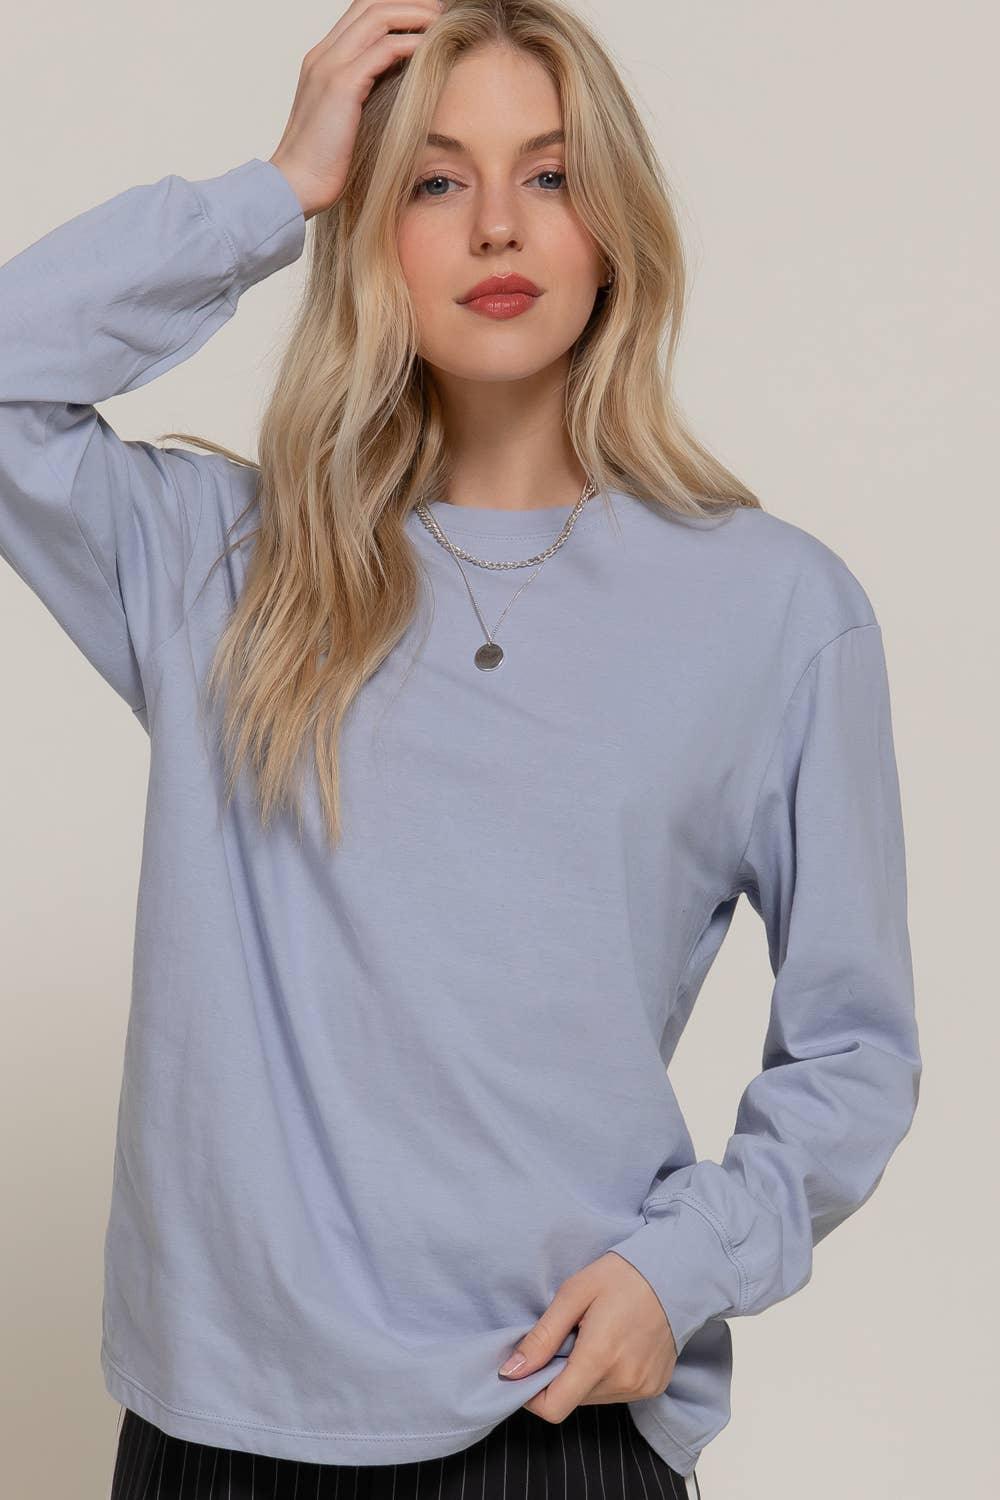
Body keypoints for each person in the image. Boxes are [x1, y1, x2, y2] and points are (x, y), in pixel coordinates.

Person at [0, 2, 921, 1496]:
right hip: (221, 1434)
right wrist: (277, 188)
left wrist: (683, 1268)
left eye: (550, 175)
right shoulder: (217, 568)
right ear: (370, 230)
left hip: (554, 1416)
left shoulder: (772, 609)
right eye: (434, 180)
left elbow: (857, 1046)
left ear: (615, 225)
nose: (498, 224)